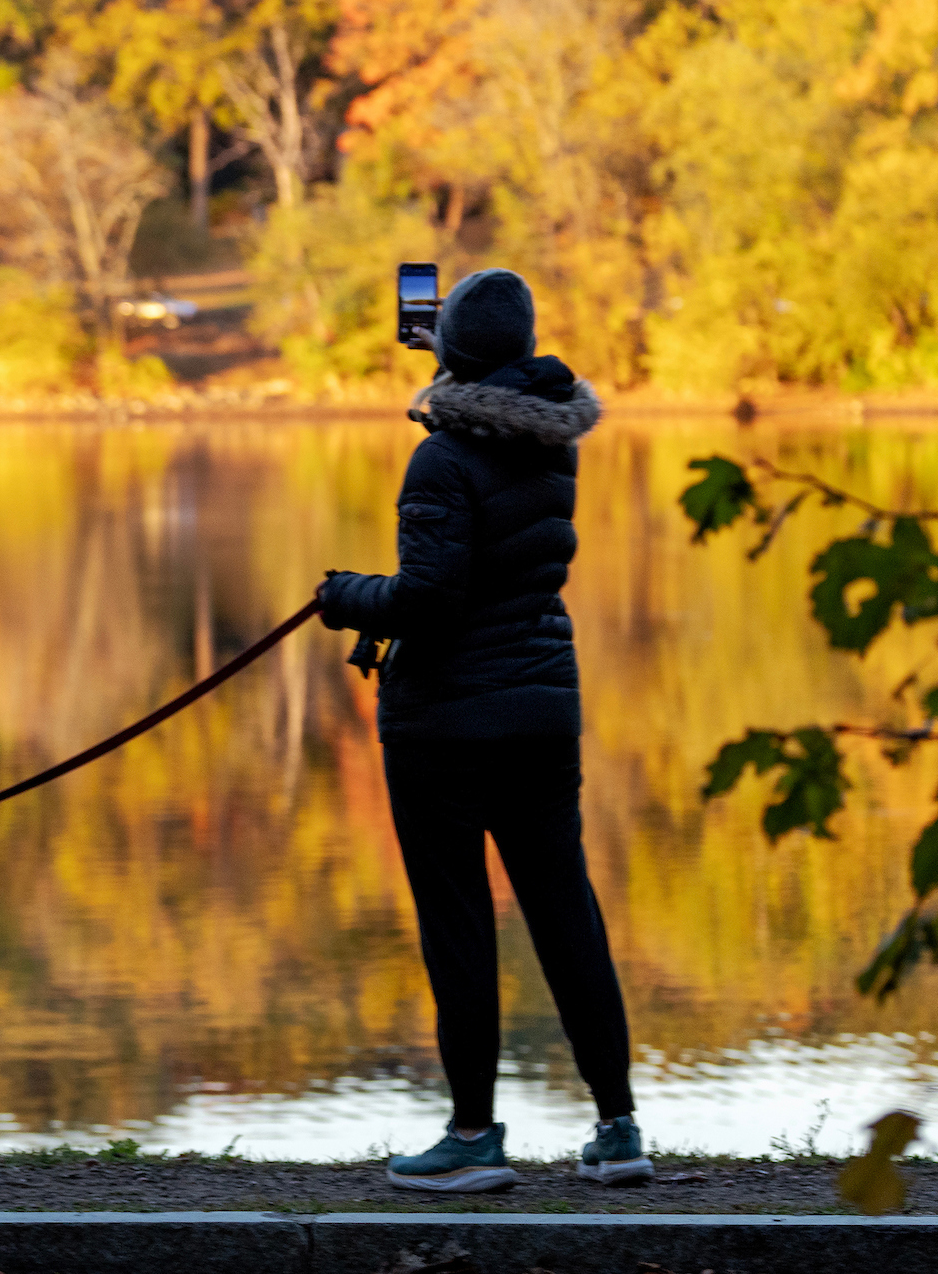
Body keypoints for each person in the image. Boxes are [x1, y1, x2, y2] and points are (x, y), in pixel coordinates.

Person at [317, 268, 649, 1193]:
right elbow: (494, 435)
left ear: (453, 356)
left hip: (446, 726)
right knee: (566, 912)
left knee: (458, 924)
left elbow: (427, 599)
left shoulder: (441, 457)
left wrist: (346, 599)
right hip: (543, 708)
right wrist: (457, 369)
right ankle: (618, 1130)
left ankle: (472, 1137)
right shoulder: (554, 446)